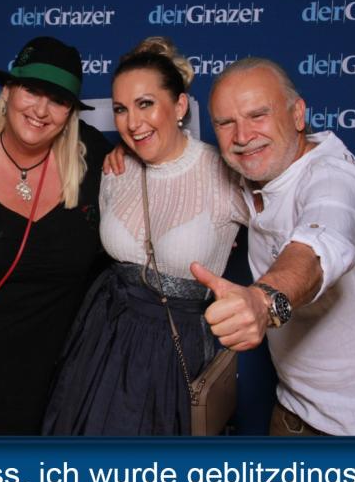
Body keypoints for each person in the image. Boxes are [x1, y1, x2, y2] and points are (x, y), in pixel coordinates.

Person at [193, 57, 355, 436]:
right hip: (294, 412)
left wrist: (263, 301)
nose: (242, 135)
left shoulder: (332, 180)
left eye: (258, 115)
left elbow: (318, 245)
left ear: (298, 114)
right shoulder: (254, 176)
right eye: (225, 123)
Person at [43, 37, 248, 435]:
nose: (132, 123)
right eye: (121, 109)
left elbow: (289, 222)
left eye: (146, 104)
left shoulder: (223, 173)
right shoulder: (115, 170)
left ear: (180, 106)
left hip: (175, 349)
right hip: (102, 338)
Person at [0, 36, 111, 435]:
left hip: (56, 383)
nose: (41, 110)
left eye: (58, 100)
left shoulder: (94, 157)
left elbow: (157, 171)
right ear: (8, 91)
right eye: (32, 90)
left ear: (70, 112)